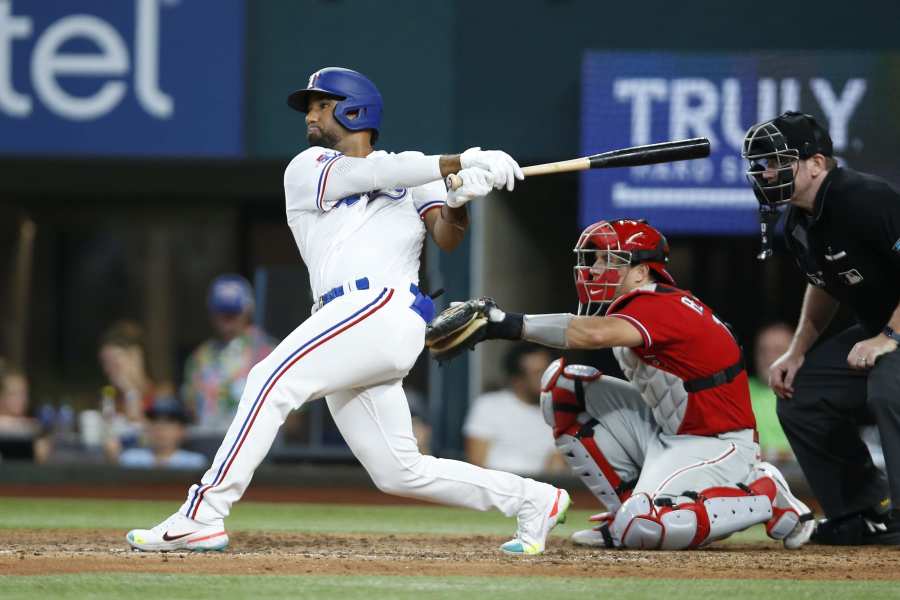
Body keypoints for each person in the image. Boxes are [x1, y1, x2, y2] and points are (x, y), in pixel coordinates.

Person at [126, 67, 569, 556]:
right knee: (400, 471)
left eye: (321, 104)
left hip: (380, 307)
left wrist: (460, 200)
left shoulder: (417, 175)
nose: (311, 115)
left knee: (268, 380)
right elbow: (376, 173)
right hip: (346, 321)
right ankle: (535, 499)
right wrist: (457, 161)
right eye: (311, 107)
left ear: (354, 109)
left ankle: (202, 515)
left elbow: (446, 234)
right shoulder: (309, 167)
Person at [433, 219, 814, 550]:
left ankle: (765, 495)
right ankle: (627, 510)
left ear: (642, 272)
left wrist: (505, 323)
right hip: (670, 431)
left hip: (718, 443)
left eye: (610, 260)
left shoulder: (659, 303)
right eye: (595, 259)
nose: (597, 269)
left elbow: (593, 335)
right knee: (564, 385)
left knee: (644, 528)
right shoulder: (637, 303)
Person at [742, 111, 900, 545]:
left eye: (777, 161)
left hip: (892, 330)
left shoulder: (865, 197)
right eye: (763, 164)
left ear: (816, 163)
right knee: (803, 391)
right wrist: (796, 351)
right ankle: (861, 510)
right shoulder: (796, 222)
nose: (767, 172)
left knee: (891, 384)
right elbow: (823, 285)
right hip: (880, 327)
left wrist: (889, 338)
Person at [182, 274, 277, 431]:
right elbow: (190, 405)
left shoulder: (268, 351)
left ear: (248, 310)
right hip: (209, 443)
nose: (226, 319)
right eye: (221, 312)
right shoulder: (201, 356)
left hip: (255, 444)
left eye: (232, 313)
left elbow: (294, 414)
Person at [464, 343, 564, 475]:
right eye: (537, 373)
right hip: (493, 490)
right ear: (517, 380)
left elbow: (556, 469)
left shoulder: (556, 416)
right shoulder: (489, 405)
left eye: (548, 371)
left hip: (536, 492)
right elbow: (475, 464)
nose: (547, 379)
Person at [107, 398, 207, 470]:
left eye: (169, 422)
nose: (160, 428)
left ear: (182, 430)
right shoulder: (131, 459)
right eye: (154, 421)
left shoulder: (195, 463)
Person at [749, 322, 794, 462]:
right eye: (763, 351)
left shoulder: (809, 395)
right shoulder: (737, 390)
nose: (768, 358)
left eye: (777, 351)